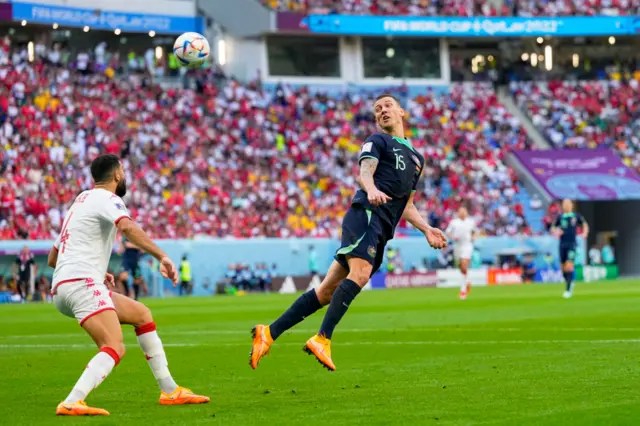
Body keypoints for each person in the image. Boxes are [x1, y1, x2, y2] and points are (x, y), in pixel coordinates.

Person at [249, 94, 447, 371]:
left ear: (401, 111)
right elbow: (365, 171)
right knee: (361, 274)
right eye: (377, 109)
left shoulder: (417, 158)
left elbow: (408, 204)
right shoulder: (377, 141)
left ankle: (268, 333)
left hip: (383, 226)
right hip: (366, 214)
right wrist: (372, 188)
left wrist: (426, 229)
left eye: (388, 106)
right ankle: (322, 339)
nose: (382, 111)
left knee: (326, 292)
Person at [48, 154, 209, 416]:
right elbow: (128, 228)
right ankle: (72, 401)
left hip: (67, 285)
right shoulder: (109, 199)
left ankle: (169, 390)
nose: (124, 174)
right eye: (123, 170)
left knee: (141, 314)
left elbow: (53, 258)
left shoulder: (80, 201)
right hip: (81, 283)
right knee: (114, 345)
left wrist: (100, 272)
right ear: (117, 175)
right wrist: (162, 256)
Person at [552, 199, 589, 299]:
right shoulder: (560, 217)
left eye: (568, 204)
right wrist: (556, 232)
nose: (566, 205)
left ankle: (568, 290)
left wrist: (585, 233)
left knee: (569, 266)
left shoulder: (576, 216)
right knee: (563, 268)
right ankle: (570, 281)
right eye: (564, 204)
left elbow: (585, 224)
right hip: (562, 244)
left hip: (572, 244)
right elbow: (553, 227)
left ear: (571, 205)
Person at [445, 206, 476, 300]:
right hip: (457, 246)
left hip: (467, 245)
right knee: (461, 266)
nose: (462, 213)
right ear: (458, 213)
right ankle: (467, 281)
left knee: (464, 263)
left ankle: (463, 290)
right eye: (460, 212)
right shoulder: (454, 222)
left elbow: (474, 232)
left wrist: (474, 237)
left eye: (464, 211)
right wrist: (453, 237)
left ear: (466, 213)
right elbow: (448, 232)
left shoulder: (471, 222)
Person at [121, 235, 143, 300]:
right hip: (126, 259)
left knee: (137, 280)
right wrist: (136, 246)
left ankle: (136, 299)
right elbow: (125, 245)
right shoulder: (125, 236)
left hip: (135, 260)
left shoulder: (138, 236)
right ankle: (127, 293)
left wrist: (134, 246)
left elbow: (142, 249)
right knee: (123, 277)